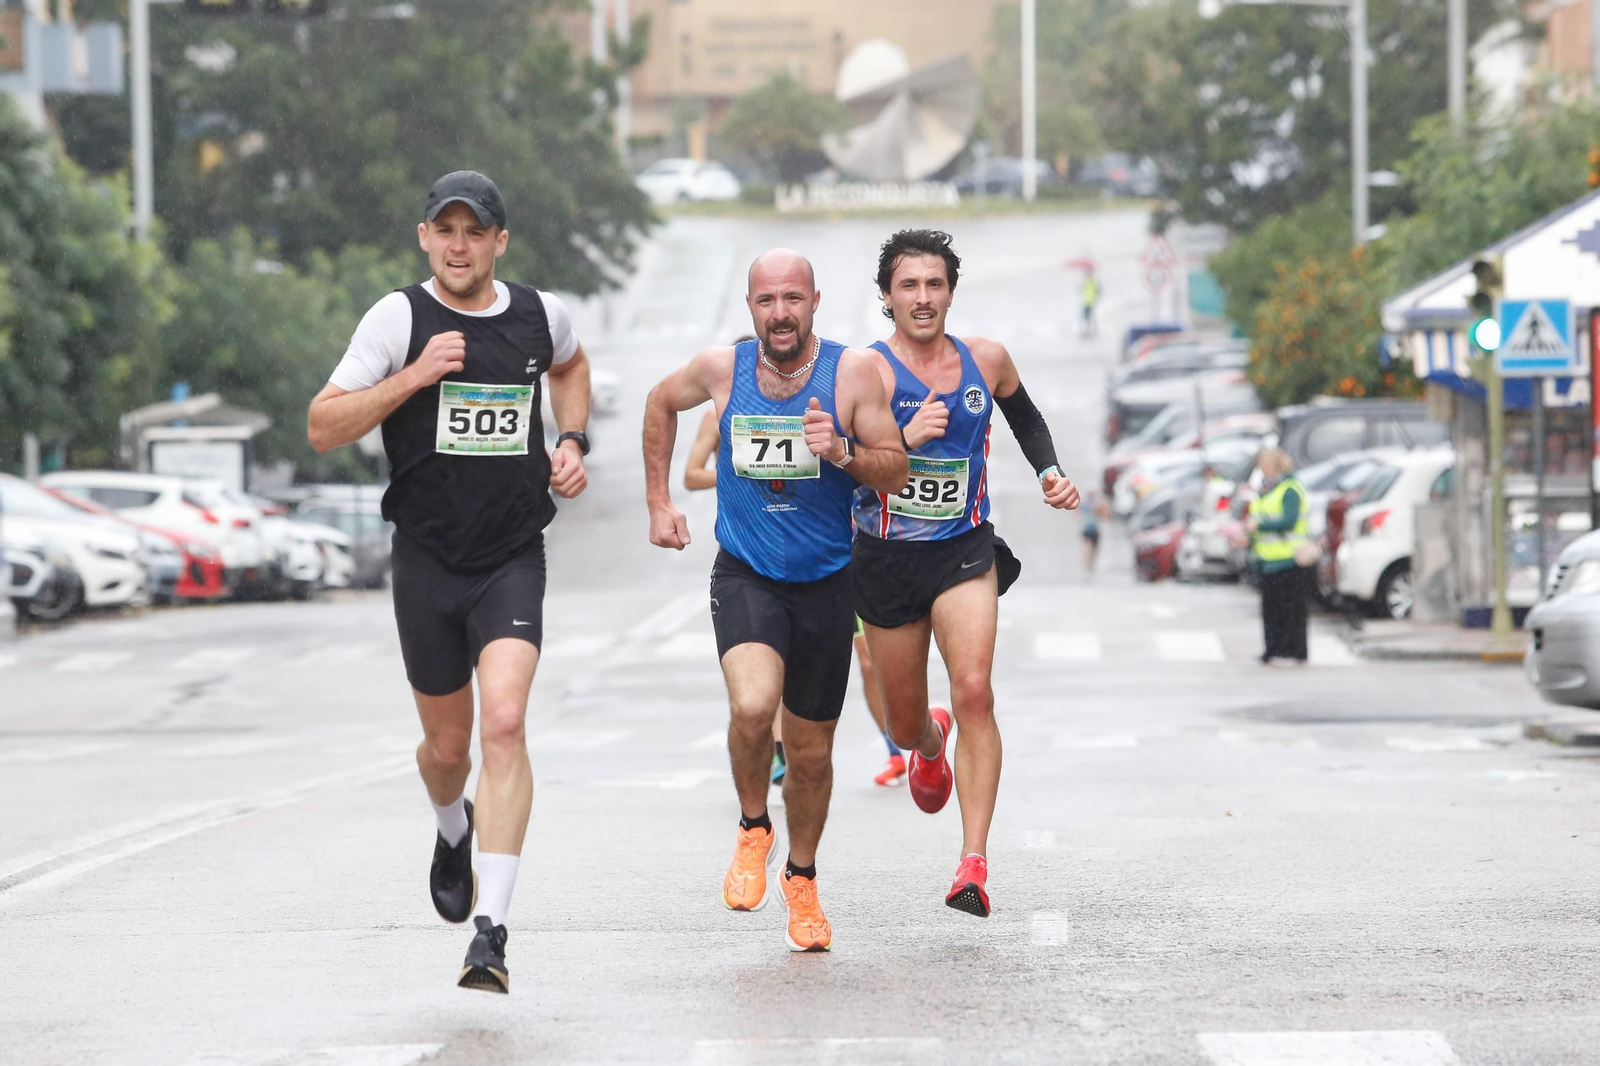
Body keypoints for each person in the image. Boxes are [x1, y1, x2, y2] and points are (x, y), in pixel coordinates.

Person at [306, 171, 591, 993]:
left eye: (476, 232)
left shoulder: (542, 315)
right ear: (424, 237)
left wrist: (570, 439)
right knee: (447, 748)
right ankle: (450, 825)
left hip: (511, 556)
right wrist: (414, 375)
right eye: (446, 231)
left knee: (505, 723)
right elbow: (324, 424)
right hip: (427, 559)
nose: (460, 246)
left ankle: (491, 934)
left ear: (500, 241)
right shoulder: (399, 319)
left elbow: (572, 366)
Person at [642, 249, 907, 952]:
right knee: (755, 706)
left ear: (816, 301)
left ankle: (803, 878)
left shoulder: (851, 374)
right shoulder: (721, 370)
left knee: (814, 756)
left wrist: (845, 451)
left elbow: (898, 469)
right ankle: (753, 827)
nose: (780, 313)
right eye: (767, 301)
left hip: (828, 581)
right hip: (748, 572)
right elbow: (659, 404)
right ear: (750, 306)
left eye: (793, 299)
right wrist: (659, 500)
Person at [852, 229, 1080, 919]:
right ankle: (928, 743)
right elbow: (839, 458)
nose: (923, 299)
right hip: (886, 561)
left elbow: (1024, 414)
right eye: (909, 286)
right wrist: (900, 441)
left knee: (976, 686)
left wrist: (1050, 472)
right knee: (903, 715)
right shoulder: (865, 372)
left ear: (951, 290)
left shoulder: (986, 359)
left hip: (963, 550)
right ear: (887, 297)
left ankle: (972, 862)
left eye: (935, 285)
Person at [683, 392, 907, 789]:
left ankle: (896, 748)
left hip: (829, 550)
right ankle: (777, 750)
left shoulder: (812, 410)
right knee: (767, 662)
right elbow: (690, 474)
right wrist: (741, 472)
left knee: (867, 658)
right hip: (758, 549)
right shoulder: (717, 413)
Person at [1248, 447, 1312, 665]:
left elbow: (1289, 521)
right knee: (1271, 610)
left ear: (1276, 466)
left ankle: (1294, 651)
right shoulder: (1264, 490)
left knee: (1292, 610)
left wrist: (1260, 526)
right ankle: (1273, 649)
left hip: (1290, 558)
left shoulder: (1289, 489)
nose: (1262, 471)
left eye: (1265, 466)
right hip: (1267, 559)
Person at [1081, 489, 1108, 576]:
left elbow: (1105, 516)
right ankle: (1087, 566)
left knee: (1095, 550)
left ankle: (1091, 564)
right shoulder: (1085, 505)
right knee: (1087, 549)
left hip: (1095, 530)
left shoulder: (1097, 505)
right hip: (1087, 530)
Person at [1080, 270, 1100, 339]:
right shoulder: (1087, 283)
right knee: (1087, 317)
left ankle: (1091, 330)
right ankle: (1088, 330)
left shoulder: (1093, 283)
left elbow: (1097, 292)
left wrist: (1094, 300)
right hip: (1086, 302)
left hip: (1090, 302)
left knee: (1089, 317)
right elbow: (1083, 291)